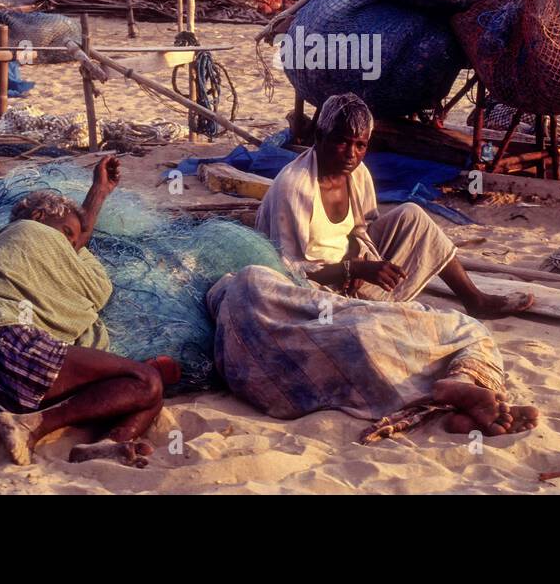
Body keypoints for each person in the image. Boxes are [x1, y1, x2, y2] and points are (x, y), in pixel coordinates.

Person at [0, 156, 178, 467]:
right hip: (2, 348)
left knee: (148, 392)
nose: (73, 245)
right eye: (66, 233)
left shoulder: (40, 242)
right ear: (41, 216)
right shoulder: (27, 231)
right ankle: (34, 426)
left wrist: (100, 192)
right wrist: (97, 193)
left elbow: (78, 240)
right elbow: (93, 280)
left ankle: (109, 444)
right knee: (146, 378)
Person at [256, 93, 533, 318]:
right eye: (341, 142)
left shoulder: (358, 173)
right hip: (311, 283)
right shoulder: (294, 187)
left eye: (360, 145)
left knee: (412, 215)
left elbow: (361, 230)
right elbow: (288, 271)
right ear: (319, 137)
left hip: (346, 266)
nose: (352, 154)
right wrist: (352, 270)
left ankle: (475, 300)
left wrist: (362, 259)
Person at [208, 264, 540, 440]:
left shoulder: (229, 348)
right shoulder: (250, 278)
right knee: (469, 329)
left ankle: (446, 397)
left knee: (362, 348)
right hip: (354, 332)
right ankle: (461, 382)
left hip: (297, 377)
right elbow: (316, 296)